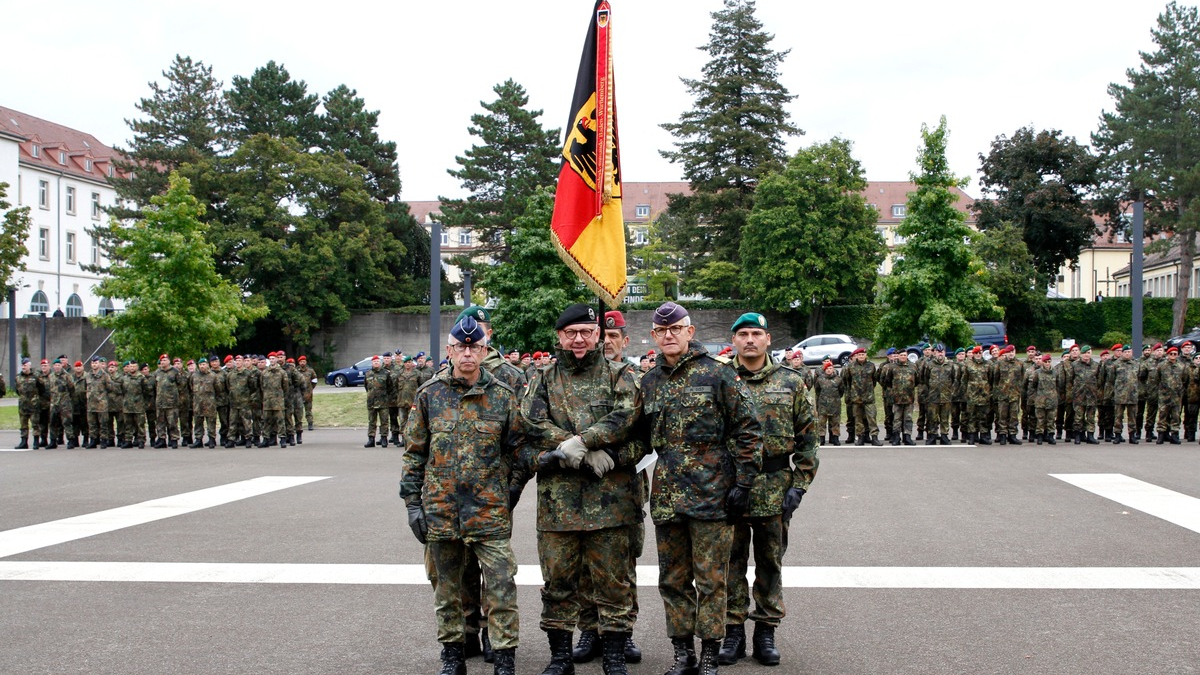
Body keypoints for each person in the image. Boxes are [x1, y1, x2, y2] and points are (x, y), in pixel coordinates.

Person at [635, 301, 762, 675]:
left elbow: (748, 429)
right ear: (654, 336)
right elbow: (638, 436)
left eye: (676, 328)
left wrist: (744, 482)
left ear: (690, 332)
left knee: (711, 580)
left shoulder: (718, 374)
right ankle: (682, 653)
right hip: (668, 497)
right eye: (662, 330)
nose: (669, 335)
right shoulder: (649, 382)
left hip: (713, 495)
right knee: (672, 580)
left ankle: (709, 652)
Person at [517, 304, 644, 675]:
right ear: (559, 336)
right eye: (570, 333)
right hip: (559, 505)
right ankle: (560, 658)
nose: (578, 339)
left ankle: (615, 658)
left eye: (586, 332)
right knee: (558, 583)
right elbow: (530, 422)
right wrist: (567, 447)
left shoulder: (620, 375)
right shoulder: (543, 378)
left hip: (611, 504)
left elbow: (627, 419)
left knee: (614, 584)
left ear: (597, 335)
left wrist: (584, 442)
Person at [401, 316, 524, 675]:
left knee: (501, 585)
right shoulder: (429, 395)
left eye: (475, 347)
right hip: (441, 511)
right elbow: (414, 454)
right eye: (461, 347)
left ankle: (504, 657)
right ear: (450, 351)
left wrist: (510, 489)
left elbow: (519, 451)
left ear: (485, 351)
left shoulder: (502, 396)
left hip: (489, 512)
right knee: (446, 590)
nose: (468, 353)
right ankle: (453, 655)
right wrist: (412, 504)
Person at [719, 313, 817, 668]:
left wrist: (799, 486)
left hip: (775, 487)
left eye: (756, 333)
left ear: (768, 339)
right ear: (734, 339)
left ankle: (765, 631)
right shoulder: (720, 378)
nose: (750, 340)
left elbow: (808, 439)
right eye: (743, 334)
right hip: (729, 486)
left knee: (770, 563)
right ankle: (732, 631)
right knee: (729, 562)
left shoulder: (791, 382)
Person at [570, 310, 646, 666]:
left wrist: (614, 457)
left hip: (623, 486)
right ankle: (589, 628)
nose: (609, 342)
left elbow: (646, 438)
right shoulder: (577, 377)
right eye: (606, 336)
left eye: (616, 337)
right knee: (584, 564)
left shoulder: (637, 380)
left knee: (621, 564)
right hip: (580, 485)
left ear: (624, 341)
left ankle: (622, 631)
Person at [842, 348, 884, 446]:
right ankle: (860, 437)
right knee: (858, 419)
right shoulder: (851, 367)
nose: (861, 356)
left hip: (869, 397)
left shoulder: (871, 366)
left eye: (863, 354)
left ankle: (874, 437)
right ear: (856, 356)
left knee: (872, 418)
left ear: (866, 355)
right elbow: (847, 380)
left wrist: (869, 389)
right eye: (859, 355)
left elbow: (874, 380)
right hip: (856, 397)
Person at [880, 349, 918, 446]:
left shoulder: (913, 366)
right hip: (897, 398)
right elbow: (886, 381)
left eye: (905, 355)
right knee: (897, 419)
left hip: (909, 397)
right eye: (901, 355)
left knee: (908, 418)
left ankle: (907, 437)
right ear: (898, 356)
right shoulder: (892, 367)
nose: (903, 357)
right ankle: (896, 437)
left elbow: (917, 380)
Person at [992, 345, 1026, 445]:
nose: (1011, 353)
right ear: (1005, 353)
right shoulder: (1000, 364)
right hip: (1003, 394)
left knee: (1013, 416)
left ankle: (1012, 435)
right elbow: (996, 378)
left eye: (1012, 351)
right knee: (1002, 415)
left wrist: (1018, 389)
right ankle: (1002, 435)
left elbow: (1023, 378)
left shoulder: (1020, 364)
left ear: (1015, 352)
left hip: (1015, 394)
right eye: (1009, 352)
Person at [1155, 346, 1185, 444]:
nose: (1173, 355)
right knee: (1162, 415)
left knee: (1176, 416)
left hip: (1176, 396)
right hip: (1164, 396)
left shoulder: (1181, 366)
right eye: (1171, 354)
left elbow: (1185, 379)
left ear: (1177, 355)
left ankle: (1174, 435)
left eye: (1175, 354)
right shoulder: (1161, 365)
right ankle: (1161, 435)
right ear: (1167, 354)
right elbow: (1157, 378)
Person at [1027, 354, 1058, 445]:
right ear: (1042, 362)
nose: (1047, 363)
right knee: (1040, 419)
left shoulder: (1055, 372)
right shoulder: (1037, 373)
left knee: (1051, 419)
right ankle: (1039, 436)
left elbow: (1059, 384)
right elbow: (1034, 384)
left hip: (1052, 400)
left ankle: (1050, 436)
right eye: (1045, 362)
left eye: (1049, 362)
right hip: (1041, 400)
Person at [154, 354, 183, 448]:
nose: (163, 362)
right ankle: (161, 439)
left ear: (169, 361)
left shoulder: (175, 371)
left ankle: (174, 439)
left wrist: (175, 396)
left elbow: (181, 385)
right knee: (160, 422)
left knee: (172, 422)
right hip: (160, 402)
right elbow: (155, 385)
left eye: (165, 360)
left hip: (171, 402)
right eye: (161, 361)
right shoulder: (157, 372)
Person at [1111, 344, 1139, 445]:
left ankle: (1132, 435)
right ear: (1122, 353)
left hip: (1132, 394)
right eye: (1125, 352)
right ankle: (1117, 435)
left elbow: (1140, 377)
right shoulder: (1116, 364)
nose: (1127, 354)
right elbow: (1111, 379)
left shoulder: (1136, 364)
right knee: (1118, 416)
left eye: (1129, 352)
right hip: (1120, 394)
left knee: (1132, 416)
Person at [363, 355, 392, 447]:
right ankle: (371, 439)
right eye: (374, 362)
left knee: (384, 421)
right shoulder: (368, 373)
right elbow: (366, 387)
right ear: (372, 363)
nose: (376, 363)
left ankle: (384, 438)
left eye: (377, 362)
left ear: (380, 363)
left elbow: (390, 386)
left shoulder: (386, 373)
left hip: (383, 402)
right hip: (371, 402)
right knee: (371, 421)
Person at [15, 358, 44, 449]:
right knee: (23, 424)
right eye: (22, 365)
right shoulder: (18, 377)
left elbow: (42, 389)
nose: (23, 367)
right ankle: (24, 442)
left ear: (29, 366)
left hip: (33, 405)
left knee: (35, 424)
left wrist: (35, 398)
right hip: (23, 405)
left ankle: (36, 442)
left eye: (25, 365)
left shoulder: (36, 376)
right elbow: (17, 390)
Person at [813, 360, 843, 445]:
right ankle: (821, 438)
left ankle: (835, 438)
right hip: (823, 404)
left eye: (830, 368)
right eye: (827, 369)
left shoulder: (838, 379)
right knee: (821, 422)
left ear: (833, 369)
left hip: (835, 404)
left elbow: (841, 390)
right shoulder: (820, 379)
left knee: (835, 422)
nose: (829, 370)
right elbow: (817, 390)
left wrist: (835, 398)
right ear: (824, 370)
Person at [191, 358, 218, 448]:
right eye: (200, 365)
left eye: (204, 364)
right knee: (198, 422)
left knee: (211, 422)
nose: (202, 366)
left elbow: (218, 389)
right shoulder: (194, 376)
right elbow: (191, 387)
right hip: (198, 403)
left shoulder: (213, 376)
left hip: (210, 403)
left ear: (207, 365)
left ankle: (212, 439)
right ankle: (198, 440)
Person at [121, 360, 147, 449]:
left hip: (138, 405)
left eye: (134, 366)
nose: (132, 368)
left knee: (140, 424)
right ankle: (128, 440)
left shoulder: (141, 378)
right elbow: (122, 390)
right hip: (127, 405)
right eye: (130, 366)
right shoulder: (124, 378)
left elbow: (146, 390)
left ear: (137, 367)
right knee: (128, 424)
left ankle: (141, 440)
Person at [297, 355, 317, 431]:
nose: (302, 363)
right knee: (298, 411)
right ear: (299, 362)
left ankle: (310, 423)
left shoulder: (310, 371)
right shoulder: (296, 371)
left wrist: (310, 389)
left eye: (304, 361)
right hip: (299, 394)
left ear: (306, 362)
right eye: (301, 362)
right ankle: (298, 425)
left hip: (308, 394)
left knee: (308, 410)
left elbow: (314, 381)